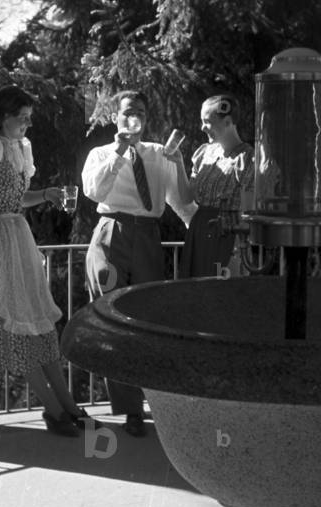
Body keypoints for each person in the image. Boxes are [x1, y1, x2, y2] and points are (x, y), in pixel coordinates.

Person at [0, 84, 98, 437]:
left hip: (19, 240)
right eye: (22, 118)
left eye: (30, 118)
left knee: (40, 329)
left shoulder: (18, 147)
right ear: (3, 117)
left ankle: (70, 407)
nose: (28, 124)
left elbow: (15, 198)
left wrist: (44, 194)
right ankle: (55, 411)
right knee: (18, 331)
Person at [81, 90, 196, 437]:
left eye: (142, 111)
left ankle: (155, 402)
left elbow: (184, 204)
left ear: (147, 118)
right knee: (112, 321)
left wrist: (205, 234)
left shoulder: (162, 153)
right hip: (110, 234)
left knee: (147, 321)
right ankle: (129, 409)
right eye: (129, 111)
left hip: (147, 237)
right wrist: (118, 150)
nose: (135, 117)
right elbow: (94, 192)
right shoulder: (100, 153)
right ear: (117, 116)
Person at [178, 94, 255, 279]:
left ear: (228, 122)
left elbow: (248, 212)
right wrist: (178, 162)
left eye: (207, 122)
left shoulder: (247, 158)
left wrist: (239, 243)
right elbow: (187, 198)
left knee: (223, 294)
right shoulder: (204, 153)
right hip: (199, 230)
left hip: (227, 234)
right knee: (195, 291)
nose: (202, 127)